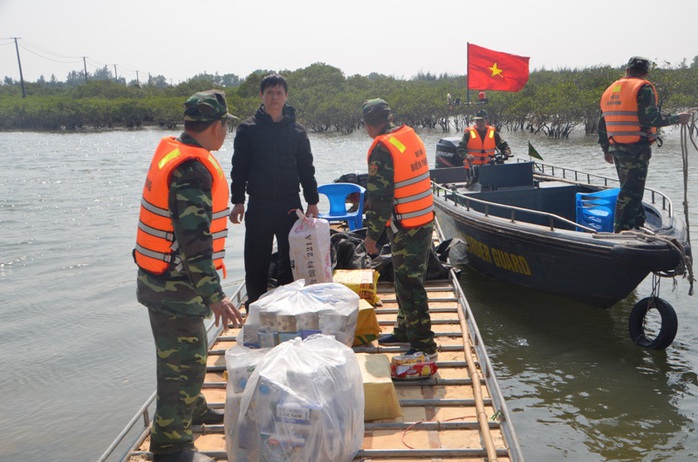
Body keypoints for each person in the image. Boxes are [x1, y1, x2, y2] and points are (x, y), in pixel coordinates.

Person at [134, 90, 243, 462]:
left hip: (166, 282)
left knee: (186, 356)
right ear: (216, 127)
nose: (225, 133)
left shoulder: (175, 152)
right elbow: (194, 242)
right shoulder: (192, 171)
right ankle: (171, 445)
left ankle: (191, 409)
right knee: (182, 363)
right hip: (173, 288)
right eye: (225, 126)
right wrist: (216, 295)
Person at [229, 73, 319, 307]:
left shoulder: (297, 131)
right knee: (256, 262)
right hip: (259, 204)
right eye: (269, 92)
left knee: (291, 260)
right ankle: (255, 310)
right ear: (262, 95)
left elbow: (306, 168)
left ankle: (288, 307)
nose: (274, 97)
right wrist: (238, 200)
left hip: (290, 204)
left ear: (286, 96)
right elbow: (239, 167)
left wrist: (312, 201)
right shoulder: (248, 129)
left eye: (279, 92)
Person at [361, 98, 438, 360]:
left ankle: (424, 345)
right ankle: (405, 329)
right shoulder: (408, 135)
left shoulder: (382, 148)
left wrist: (372, 237)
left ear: (369, 124)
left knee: (410, 284)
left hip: (408, 226)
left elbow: (379, 198)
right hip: (422, 219)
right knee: (404, 279)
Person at [598, 56, 690, 232]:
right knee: (630, 193)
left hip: (617, 147)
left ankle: (637, 224)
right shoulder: (643, 88)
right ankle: (621, 231)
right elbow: (651, 118)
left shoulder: (611, 89)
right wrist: (678, 118)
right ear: (646, 72)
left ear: (627, 70)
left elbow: (602, 123)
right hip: (635, 149)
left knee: (631, 189)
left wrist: (605, 149)